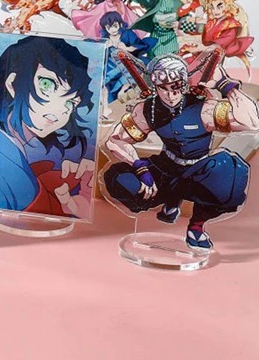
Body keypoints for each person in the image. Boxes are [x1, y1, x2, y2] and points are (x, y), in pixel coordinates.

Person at [103, 54, 258, 250]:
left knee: (230, 176)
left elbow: (252, 122)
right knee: (118, 179)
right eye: (164, 88)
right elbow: (115, 140)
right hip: (166, 168)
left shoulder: (204, 108)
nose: (170, 94)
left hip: (199, 170)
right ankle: (171, 199)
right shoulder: (148, 110)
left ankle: (197, 226)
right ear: (156, 86)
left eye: (176, 87)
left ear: (183, 84)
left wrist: (225, 85)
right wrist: (140, 167)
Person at [0, 35, 97, 219]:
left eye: (71, 102)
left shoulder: (8, 142)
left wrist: (73, 188)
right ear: (12, 82)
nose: (60, 110)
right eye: (46, 84)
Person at [99, 11, 156, 115]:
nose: (112, 29)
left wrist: (127, 48)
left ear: (120, 24)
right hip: (111, 67)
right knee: (104, 83)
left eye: (115, 26)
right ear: (105, 28)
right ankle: (109, 108)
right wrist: (105, 48)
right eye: (108, 27)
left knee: (128, 80)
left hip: (128, 63)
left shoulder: (127, 34)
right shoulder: (105, 40)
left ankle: (126, 95)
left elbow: (140, 45)